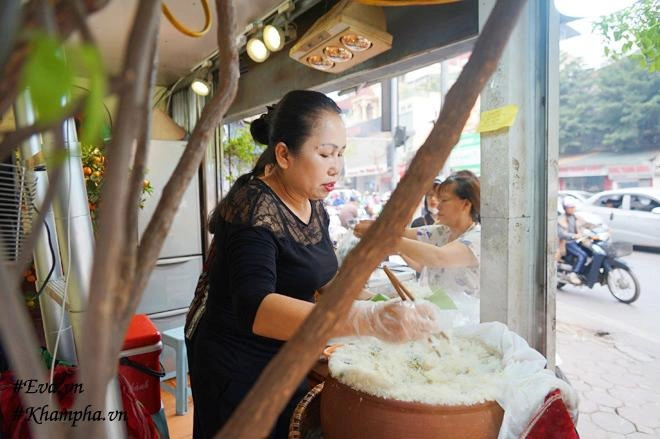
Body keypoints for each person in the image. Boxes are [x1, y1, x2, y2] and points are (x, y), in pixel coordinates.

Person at [186, 90, 440, 439]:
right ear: (283, 154)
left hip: (288, 353)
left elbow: (323, 281)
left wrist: (378, 306)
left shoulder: (312, 202)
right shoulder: (254, 207)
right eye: (324, 153)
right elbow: (256, 307)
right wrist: (365, 319)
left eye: (340, 153)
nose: (336, 166)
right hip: (237, 363)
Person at [355, 170, 481, 298]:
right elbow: (404, 233)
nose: (438, 206)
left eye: (444, 200)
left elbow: (438, 257)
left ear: (466, 204)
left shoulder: (477, 239)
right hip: (439, 313)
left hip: (464, 316)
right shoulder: (442, 231)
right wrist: (377, 228)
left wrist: (387, 238)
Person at [557, 197, 587, 285]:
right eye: (570, 207)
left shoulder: (575, 217)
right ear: (565, 208)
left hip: (577, 241)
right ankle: (574, 274)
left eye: (573, 207)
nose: (572, 209)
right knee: (582, 255)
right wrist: (574, 236)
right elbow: (561, 234)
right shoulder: (561, 219)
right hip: (566, 243)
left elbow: (586, 224)